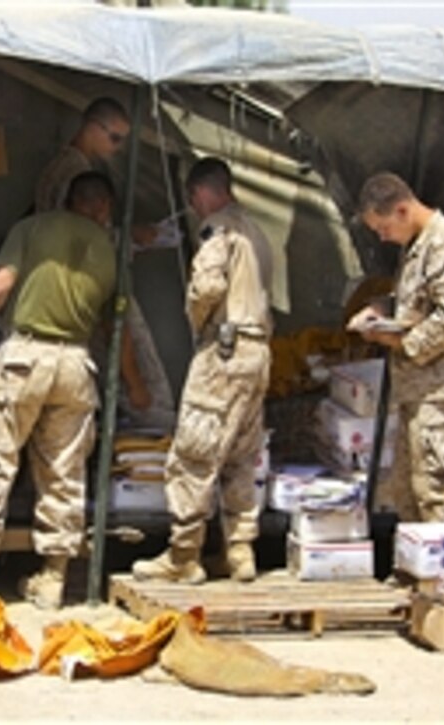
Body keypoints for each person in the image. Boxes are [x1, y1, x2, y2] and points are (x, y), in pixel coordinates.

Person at [0, 172, 118, 609]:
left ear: (67, 198)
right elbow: (112, 318)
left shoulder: (33, 228)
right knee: (64, 471)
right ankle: (53, 577)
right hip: (76, 365)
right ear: (102, 207)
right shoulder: (109, 248)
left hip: (24, 357)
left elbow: (1, 285)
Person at [132, 157, 273, 585]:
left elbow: (208, 286)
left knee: (194, 452)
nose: (193, 208)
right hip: (258, 352)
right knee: (240, 455)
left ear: (202, 193)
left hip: (224, 352)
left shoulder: (218, 230)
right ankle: (240, 550)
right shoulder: (258, 232)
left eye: (194, 199)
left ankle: (183, 555)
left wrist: (195, 317)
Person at [347, 172, 444, 522]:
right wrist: (380, 309)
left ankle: (441, 573)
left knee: (437, 492)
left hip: (440, 393)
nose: (383, 237)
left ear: (403, 210)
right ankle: (414, 571)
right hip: (418, 391)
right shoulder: (418, 246)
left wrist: (402, 342)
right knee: (408, 491)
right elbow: (415, 302)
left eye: (383, 227)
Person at [35, 97, 169, 425]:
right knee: (140, 382)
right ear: (93, 128)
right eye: (115, 138)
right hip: (91, 284)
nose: (118, 148)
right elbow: (85, 237)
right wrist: (133, 237)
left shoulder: (59, 168)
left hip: (65, 292)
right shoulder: (74, 173)